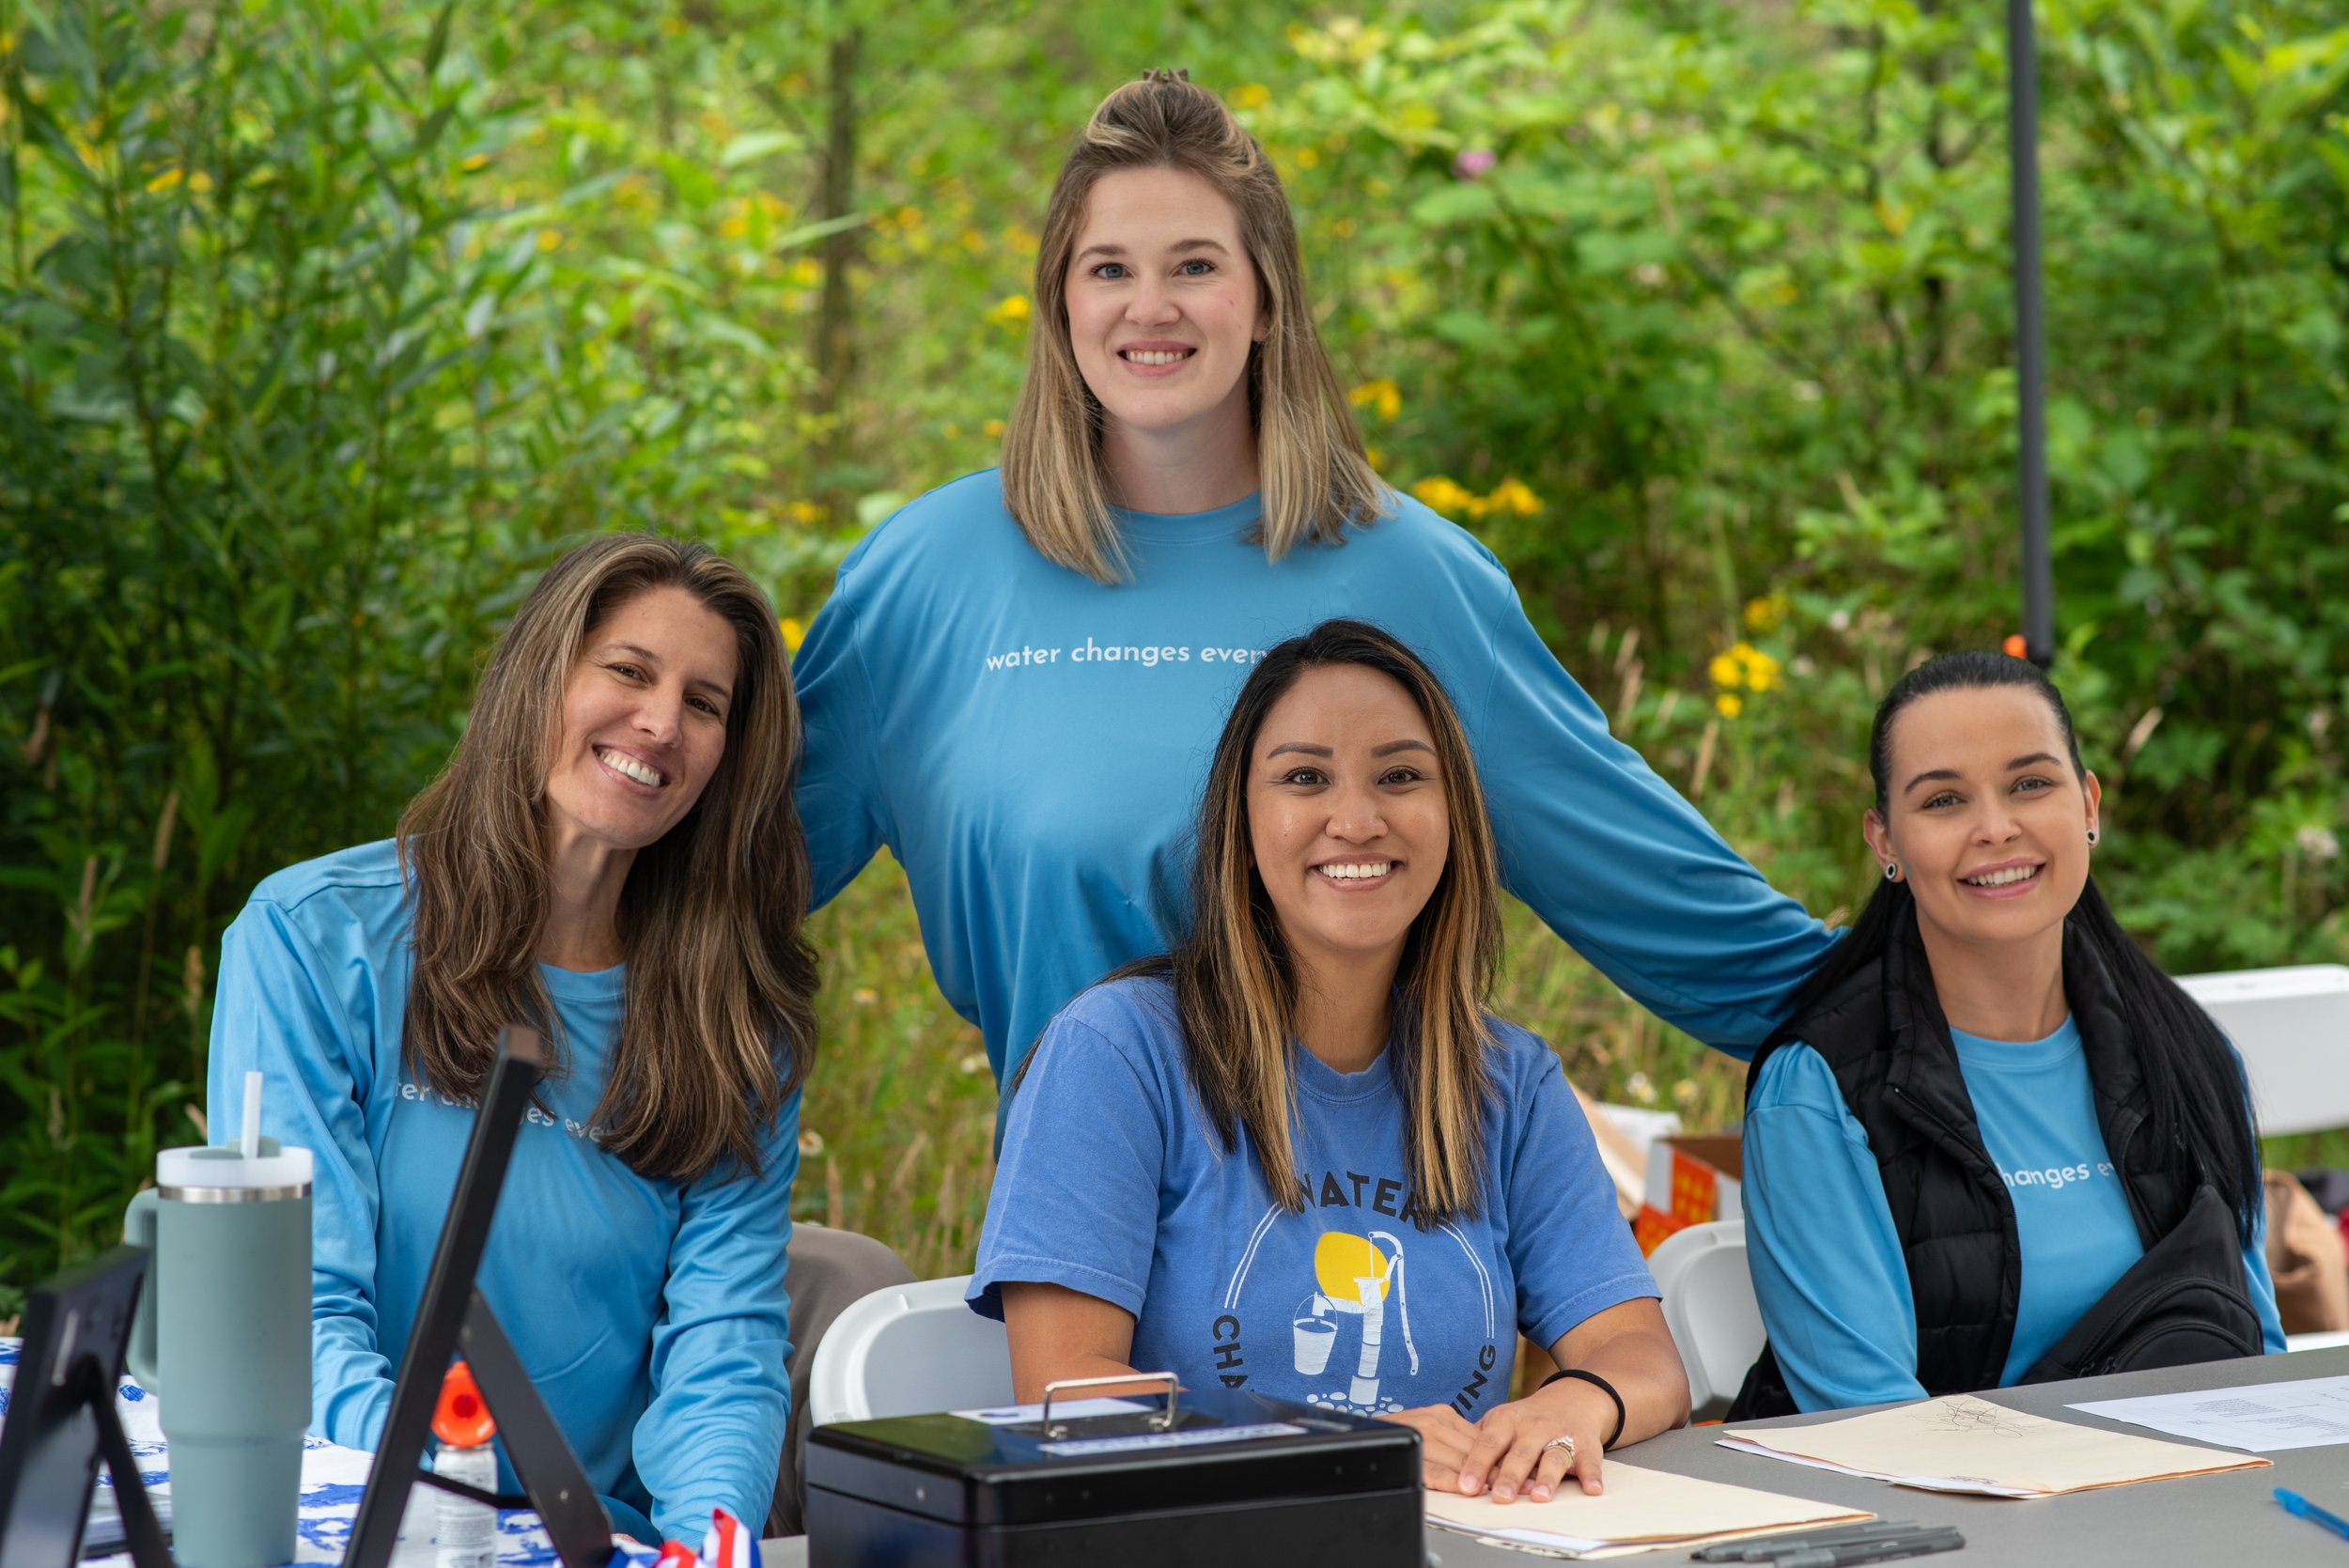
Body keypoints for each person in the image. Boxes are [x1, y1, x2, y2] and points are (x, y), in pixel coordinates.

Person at [791, 70, 1832, 1101]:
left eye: (1195, 265)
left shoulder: (1412, 576)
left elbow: (1662, 897)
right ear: (1060, 304)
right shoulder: (926, 576)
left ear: (1265, 302)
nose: (1149, 307)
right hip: (1069, 1199)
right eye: (1108, 269)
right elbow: (719, 891)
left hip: (1369, 1199)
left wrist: (1897, 1014)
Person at [206, 534, 907, 1545]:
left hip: (595, 1540)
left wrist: (705, 1546)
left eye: (705, 704)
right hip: (361, 1513)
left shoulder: (735, 1019)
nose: (661, 722)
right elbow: (301, 1315)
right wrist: (466, 1505)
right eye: (628, 670)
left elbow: (721, 1352)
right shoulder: (317, 937)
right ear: (539, 678)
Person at [972, 621, 1690, 1503]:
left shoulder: (1510, 1081)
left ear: (1454, 815)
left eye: (1401, 776)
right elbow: (1067, 1392)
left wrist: (1578, 1401)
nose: (1356, 820)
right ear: (1243, 819)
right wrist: (1341, 1448)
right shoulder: (1118, 1052)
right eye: (1305, 778)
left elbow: (1644, 1358)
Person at [1732, 650, 2285, 1418]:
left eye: (2030, 784)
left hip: (2184, 1482)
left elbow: (2257, 1359)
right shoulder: (1817, 1091)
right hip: (1932, 1490)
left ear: (2088, 804)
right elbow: (1871, 1423)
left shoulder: (2191, 1053)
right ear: (1885, 842)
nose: (1996, 828)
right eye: (1944, 800)